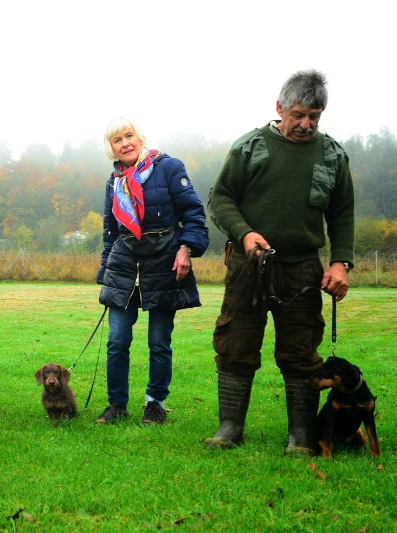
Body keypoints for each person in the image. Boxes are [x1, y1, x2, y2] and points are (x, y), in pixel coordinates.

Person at [205, 69, 355, 454]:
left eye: (314, 117)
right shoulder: (250, 147)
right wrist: (244, 233)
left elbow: (342, 214)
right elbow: (220, 198)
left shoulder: (334, 155)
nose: (306, 124)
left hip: (304, 269)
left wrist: (340, 264)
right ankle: (229, 429)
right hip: (249, 264)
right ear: (280, 108)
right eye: (299, 114)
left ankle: (301, 437)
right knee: (236, 345)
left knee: (302, 353)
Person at [96, 117, 209, 425]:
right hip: (124, 265)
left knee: (159, 341)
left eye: (129, 136)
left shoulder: (169, 167)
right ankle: (116, 405)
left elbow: (194, 214)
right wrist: (105, 272)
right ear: (112, 149)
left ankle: (154, 404)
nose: (125, 143)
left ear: (140, 137)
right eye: (117, 140)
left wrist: (187, 248)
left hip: (163, 262)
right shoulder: (114, 182)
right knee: (117, 340)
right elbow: (110, 232)